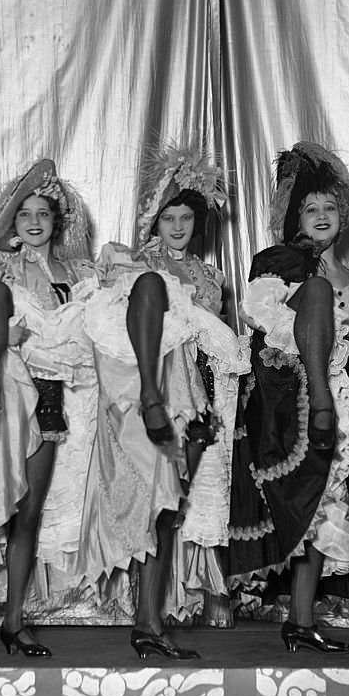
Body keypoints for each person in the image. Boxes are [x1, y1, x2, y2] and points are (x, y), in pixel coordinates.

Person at [227, 141, 349, 655]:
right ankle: (297, 618)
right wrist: (316, 377)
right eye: (311, 208)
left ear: (344, 214)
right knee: (307, 496)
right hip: (295, 397)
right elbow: (264, 319)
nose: (322, 216)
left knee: (329, 504)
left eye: (330, 207)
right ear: (296, 217)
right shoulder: (280, 263)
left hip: (340, 394)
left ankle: (300, 620)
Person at [81, 144, 247, 660]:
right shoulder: (140, 265)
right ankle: (146, 619)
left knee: (173, 509)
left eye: (186, 218)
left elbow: (218, 341)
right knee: (154, 503)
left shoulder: (211, 277)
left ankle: (152, 618)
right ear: (155, 221)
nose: (177, 227)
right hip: (158, 393)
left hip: (203, 402)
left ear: (198, 223)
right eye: (169, 217)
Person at [0, 159, 96, 656]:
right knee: (2, 498)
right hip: (9, 388)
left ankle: (13, 619)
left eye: (43, 214)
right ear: (13, 223)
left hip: (52, 391)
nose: (34, 221)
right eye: (24, 213)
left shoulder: (77, 273)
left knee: (27, 511)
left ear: (58, 222)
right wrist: (0, 334)